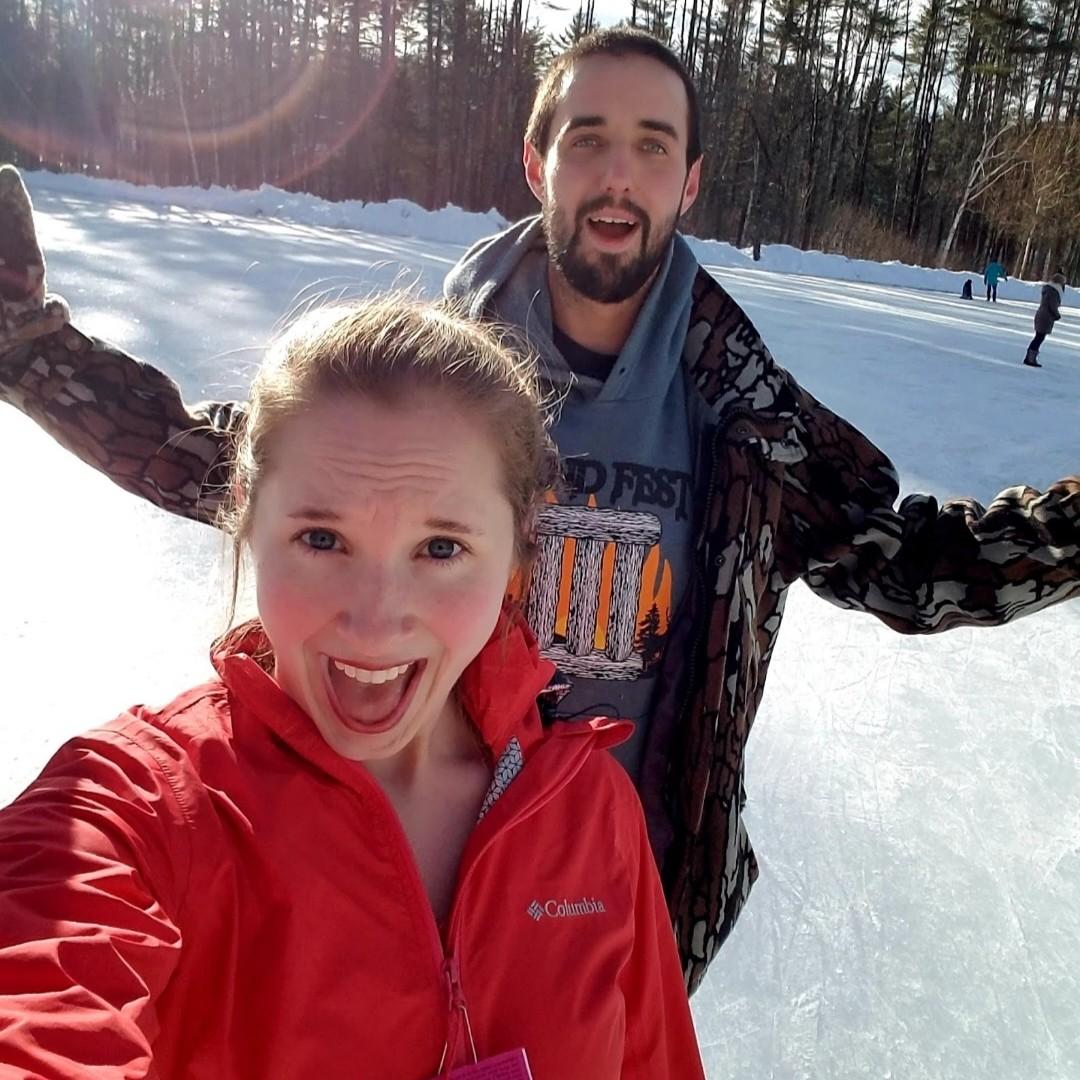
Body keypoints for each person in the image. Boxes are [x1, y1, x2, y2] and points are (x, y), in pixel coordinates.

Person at [1, 29, 1078, 994]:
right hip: (409, 871)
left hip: (617, 908)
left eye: (654, 145)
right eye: (589, 139)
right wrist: (36, 354)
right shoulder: (427, 389)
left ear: (690, 180)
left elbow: (915, 565)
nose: (619, 174)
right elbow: (224, 461)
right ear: (537, 164)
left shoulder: (753, 423)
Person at [0, 294, 705, 1078]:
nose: (374, 623)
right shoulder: (135, 806)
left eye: (440, 548)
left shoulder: (589, 814)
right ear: (245, 517)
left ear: (516, 556)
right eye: (322, 539)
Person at [1023, 271, 1066, 368]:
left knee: (1038, 336)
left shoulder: (1048, 289)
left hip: (1042, 314)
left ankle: (1030, 357)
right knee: (1039, 337)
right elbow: (1052, 305)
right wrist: (1057, 315)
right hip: (1046, 317)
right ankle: (1030, 358)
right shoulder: (1054, 291)